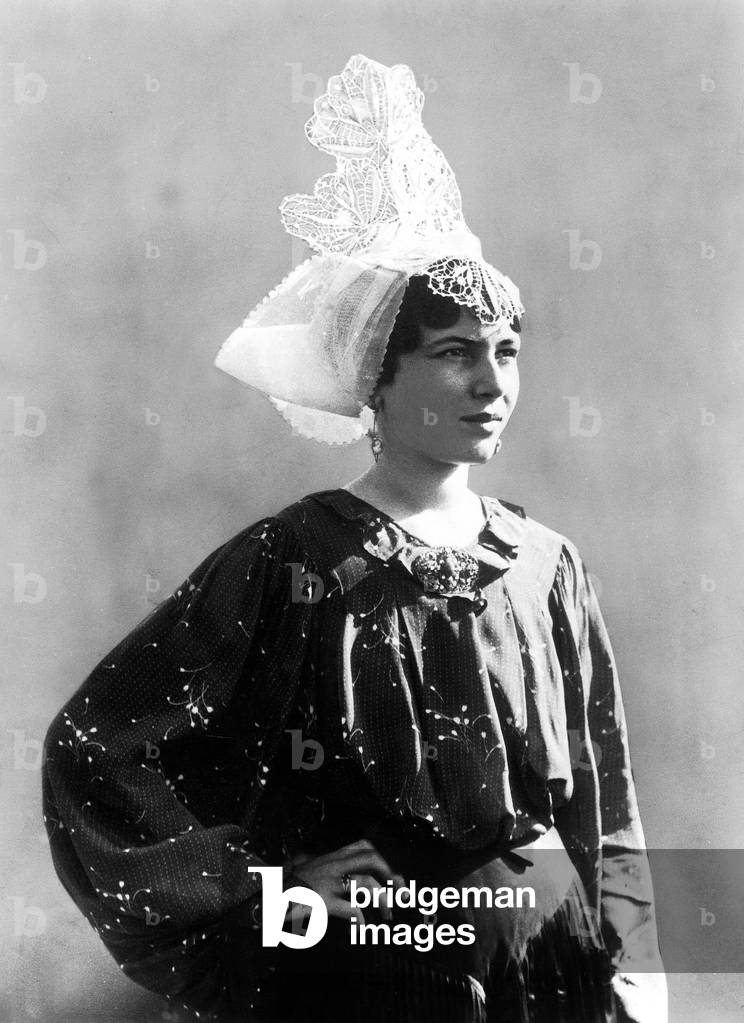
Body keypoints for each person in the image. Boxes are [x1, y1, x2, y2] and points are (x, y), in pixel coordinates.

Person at [42, 55, 666, 1023]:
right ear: (379, 378)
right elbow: (96, 750)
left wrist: (634, 974)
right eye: (454, 354)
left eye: (506, 352)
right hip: (382, 981)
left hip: (557, 982)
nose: (492, 384)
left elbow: (606, 806)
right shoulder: (295, 563)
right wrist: (274, 892)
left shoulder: (549, 570)